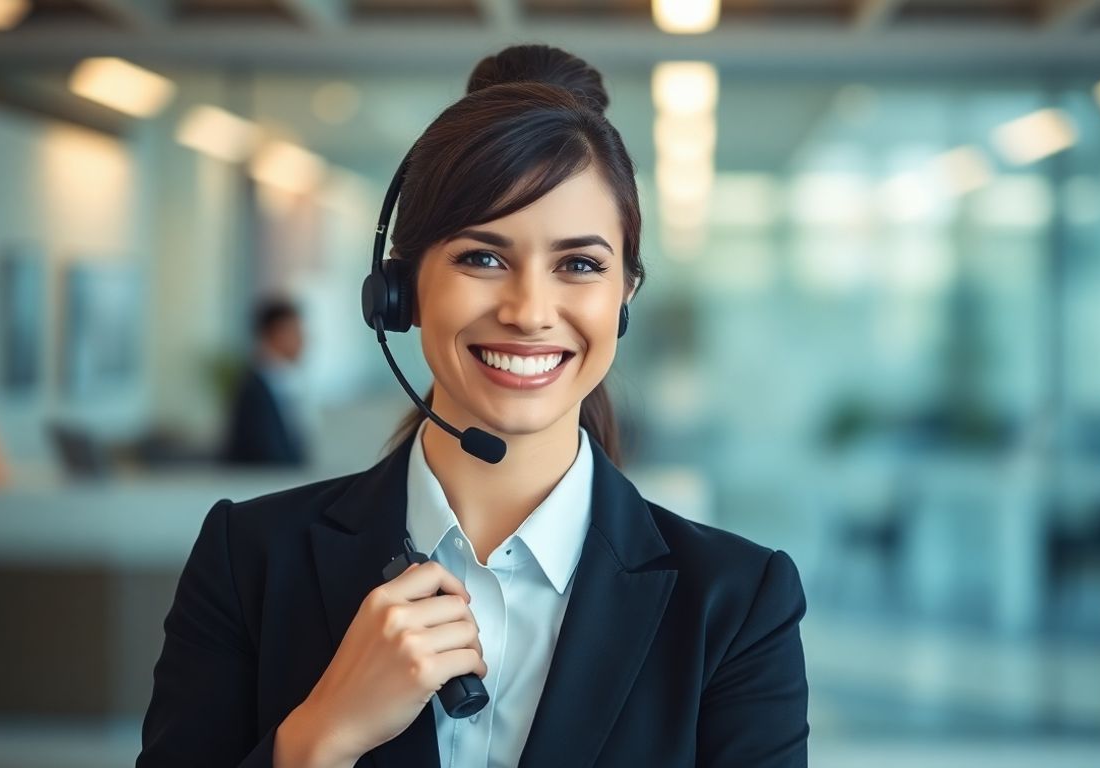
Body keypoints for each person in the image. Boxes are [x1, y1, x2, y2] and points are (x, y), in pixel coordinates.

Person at [138, 45, 809, 768]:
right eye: (482, 257)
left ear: (624, 298)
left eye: (579, 265)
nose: (528, 311)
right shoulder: (249, 562)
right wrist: (320, 737)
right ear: (401, 293)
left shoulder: (737, 604)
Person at [220, 297, 310, 467]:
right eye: (296, 332)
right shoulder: (253, 389)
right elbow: (267, 454)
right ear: (277, 333)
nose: (302, 341)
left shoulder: (281, 382)